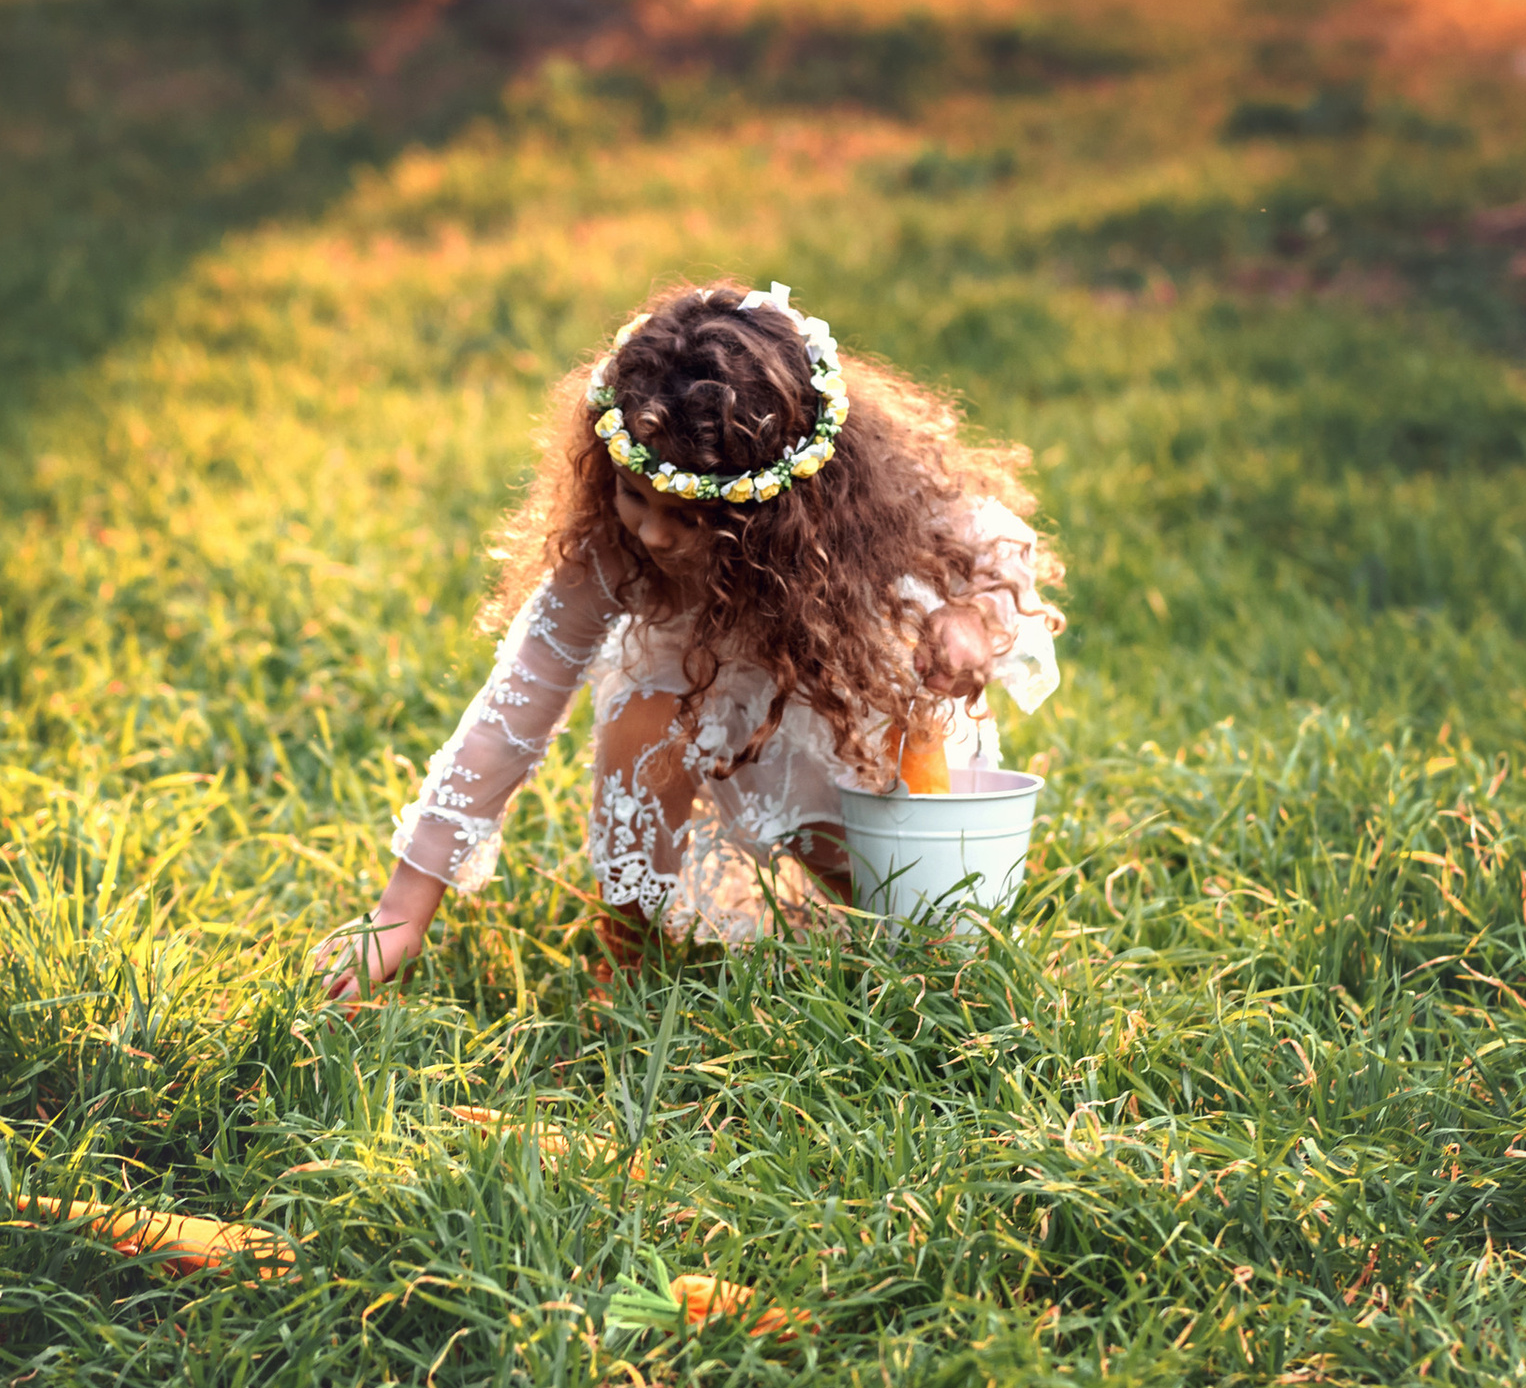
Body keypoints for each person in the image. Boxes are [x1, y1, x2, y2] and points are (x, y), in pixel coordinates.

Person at [318, 277, 1062, 999]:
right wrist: (400, 911)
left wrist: (971, 619)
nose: (652, 532)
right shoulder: (614, 550)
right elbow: (512, 710)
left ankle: (878, 910)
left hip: (847, 713)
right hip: (704, 713)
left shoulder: (866, 508)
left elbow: (995, 542)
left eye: (688, 517)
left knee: (908, 928)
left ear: (773, 511)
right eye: (634, 496)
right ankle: (630, 950)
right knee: (643, 714)